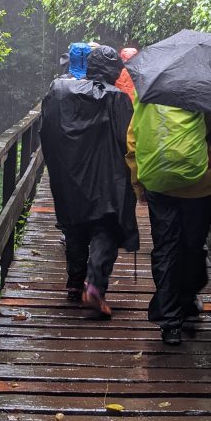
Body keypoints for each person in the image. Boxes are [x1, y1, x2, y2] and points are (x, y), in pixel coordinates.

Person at [126, 108, 211, 344]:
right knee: (192, 244)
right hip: (199, 183)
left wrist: (138, 183)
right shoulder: (209, 90)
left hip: (158, 180)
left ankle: (170, 323)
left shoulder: (150, 87)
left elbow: (133, 140)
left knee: (165, 247)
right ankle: (187, 300)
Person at [40, 45, 138, 319]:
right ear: (113, 70)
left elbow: (46, 131)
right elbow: (128, 140)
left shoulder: (59, 91)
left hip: (71, 176)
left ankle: (74, 284)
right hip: (109, 179)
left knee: (75, 227)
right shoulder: (118, 98)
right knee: (106, 227)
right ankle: (94, 286)